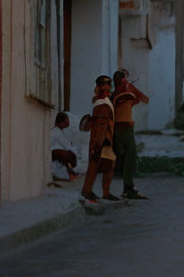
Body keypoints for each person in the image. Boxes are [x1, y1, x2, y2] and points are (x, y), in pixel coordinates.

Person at [111, 69, 149, 200]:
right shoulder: (127, 88)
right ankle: (128, 187)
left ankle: (126, 186)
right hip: (126, 127)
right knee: (130, 156)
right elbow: (142, 98)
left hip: (116, 128)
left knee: (122, 156)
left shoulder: (114, 94)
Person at [80, 75, 117, 203]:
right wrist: (98, 144)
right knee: (94, 164)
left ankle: (105, 193)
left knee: (109, 164)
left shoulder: (105, 101)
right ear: (100, 86)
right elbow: (99, 126)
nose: (107, 86)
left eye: (109, 84)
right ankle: (87, 191)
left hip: (106, 138)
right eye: (105, 84)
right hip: (101, 139)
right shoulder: (101, 104)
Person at [50, 112, 79, 181]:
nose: (65, 126)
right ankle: (69, 174)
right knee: (67, 155)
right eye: (65, 123)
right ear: (61, 123)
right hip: (53, 152)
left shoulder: (54, 129)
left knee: (66, 155)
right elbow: (66, 145)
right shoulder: (56, 131)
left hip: (54, 151)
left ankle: (69, 173)